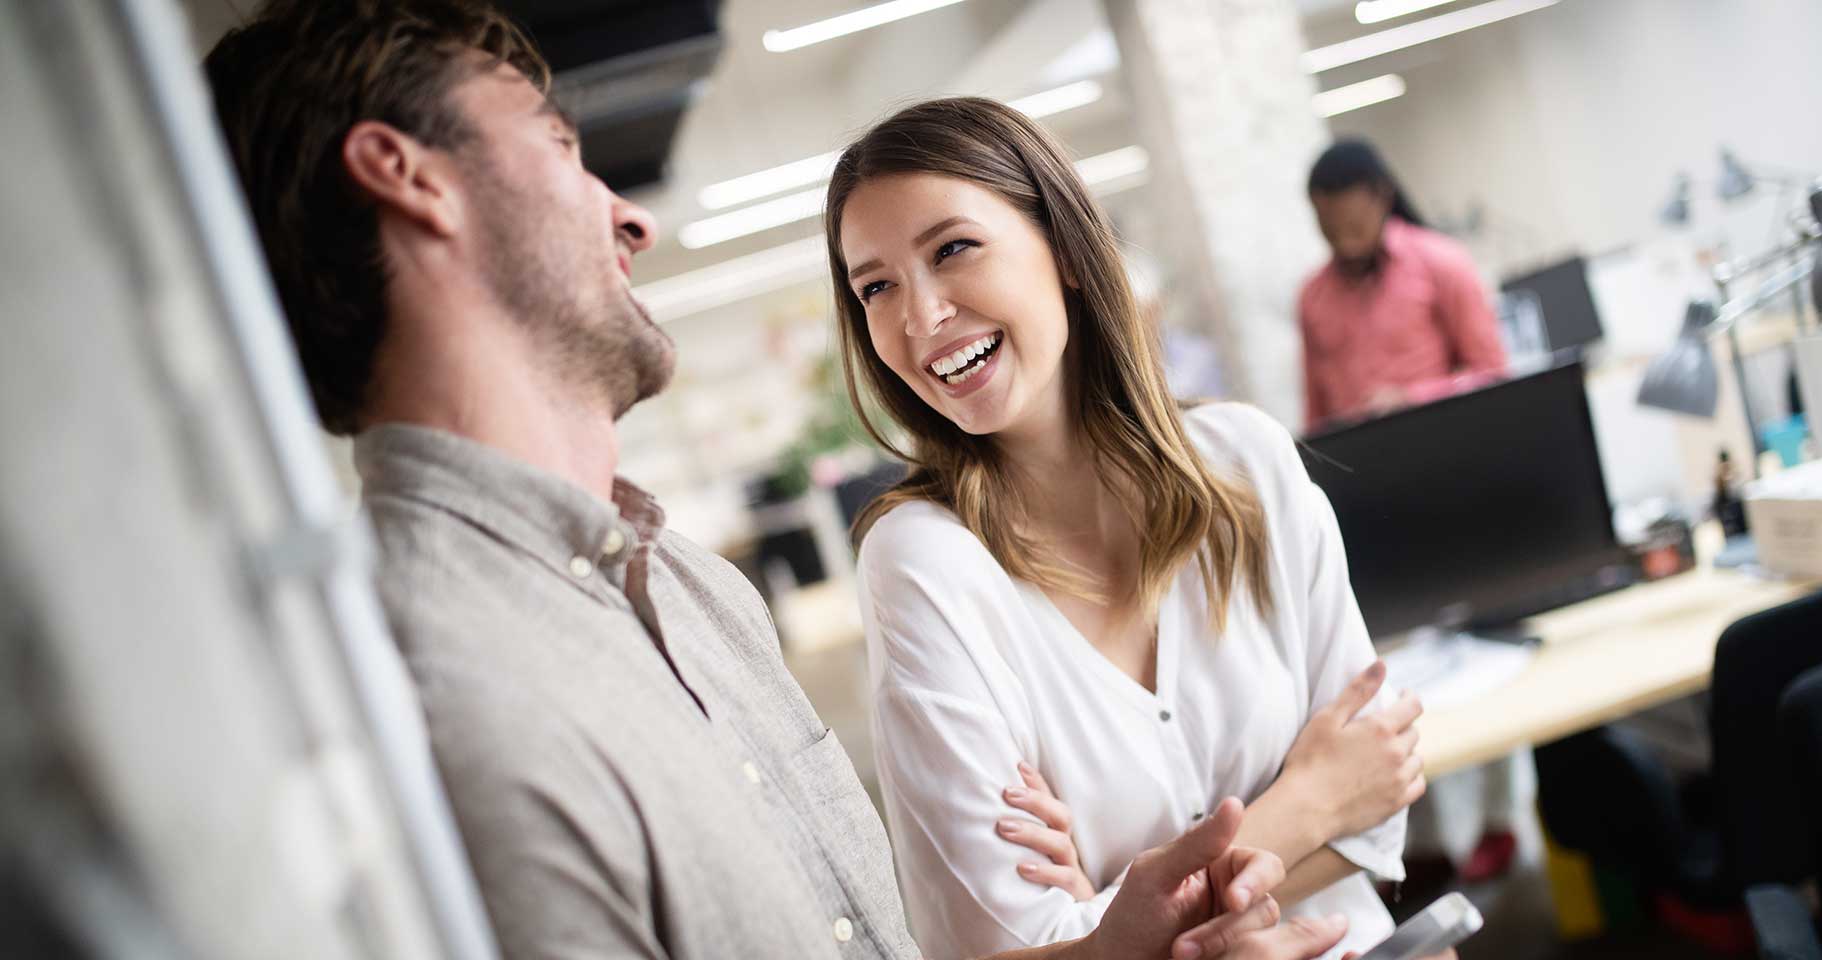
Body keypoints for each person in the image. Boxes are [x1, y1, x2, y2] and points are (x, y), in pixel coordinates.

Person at [202, 3, 1342, 960]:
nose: (631, 217)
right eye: (557, 147)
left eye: (953, 250)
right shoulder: (424, 685)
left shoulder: (694, 592)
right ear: (407, 177)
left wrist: (1107, 948)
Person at [827, 99, 1427, 959]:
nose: (918, 318)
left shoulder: (1246, 462)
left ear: (1068, 250)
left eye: (952, 249)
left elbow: (1380, 799)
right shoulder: (922, 563)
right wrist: (1309, 803)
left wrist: (1116, 921)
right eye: (876, 287)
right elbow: (998, 945)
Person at [1297, 140, 1506, 432]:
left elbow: (1493, 373)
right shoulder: (1312, 298)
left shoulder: (1441, 261)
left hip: (1442, 438)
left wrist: (1413, 399)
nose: (1345, 244)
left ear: (1382, 197)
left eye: (1355, 226)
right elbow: (1317, 416)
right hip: (1359, 455)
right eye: (1330, 230)